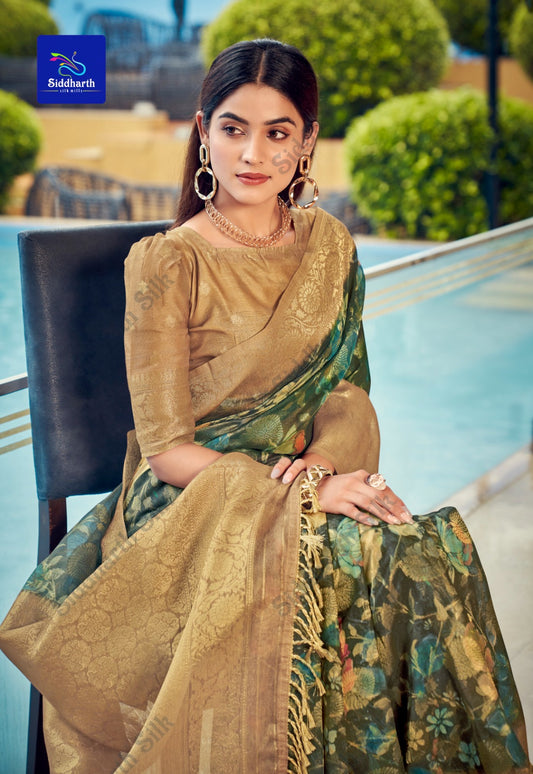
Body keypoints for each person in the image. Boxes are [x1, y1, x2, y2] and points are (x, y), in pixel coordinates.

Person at [0, 38, 530, 774]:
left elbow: (345, 390)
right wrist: (307, 494)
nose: (253, 152)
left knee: (417, 550)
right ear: (202, 133)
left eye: (277, 132)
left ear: (306, 142)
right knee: (348, 560)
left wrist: (319, 467)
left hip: (299, 478)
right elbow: (166, 451)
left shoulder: (330, 247)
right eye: (232, 128)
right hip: (194, 502)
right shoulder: (167, 262)